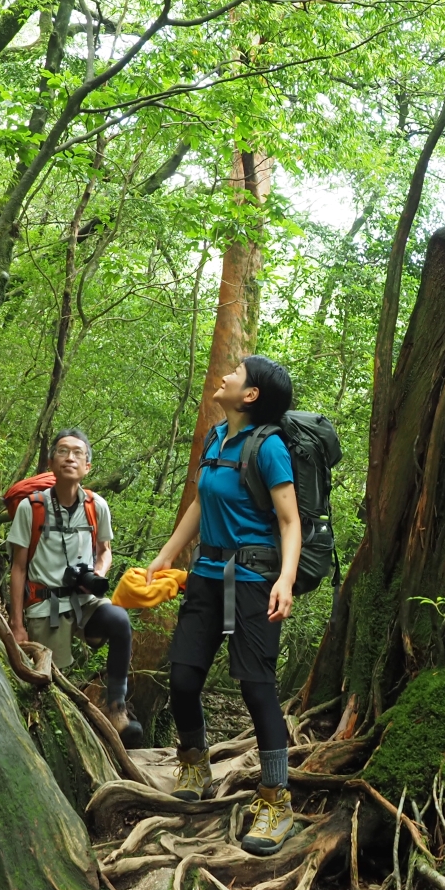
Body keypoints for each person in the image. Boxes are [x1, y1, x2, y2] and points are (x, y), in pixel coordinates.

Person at [147, 355, 300, 855]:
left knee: (256, 688)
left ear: (251, 395)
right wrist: (166, 556)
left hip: (249, 578)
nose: (229, 375)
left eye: (238, 372)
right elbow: (198, 503)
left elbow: (289, 521)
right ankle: (194, 762)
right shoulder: (216, 439)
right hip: (208, 576)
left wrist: (286, 580)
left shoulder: (269, 447)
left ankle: (276, 800)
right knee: (184, 676)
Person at [6, 428, 136, 734]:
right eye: (63, 451)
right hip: (44, 605)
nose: (70, 457)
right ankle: (51, 734)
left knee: (119, 620)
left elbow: (105, 552)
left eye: (78, 453)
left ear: (87, 467)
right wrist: (16, 622)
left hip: (83, 600)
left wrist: (97, 576)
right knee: (52, 681)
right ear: (51, 462)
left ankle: (117, 708)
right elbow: (19, 567)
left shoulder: (96, 506)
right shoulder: (32, 507)